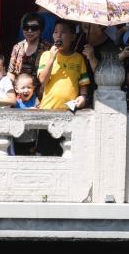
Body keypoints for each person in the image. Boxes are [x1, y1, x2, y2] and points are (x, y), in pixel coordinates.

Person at [37, 20, 89, 156]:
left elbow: (83, 87)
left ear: (73, 37)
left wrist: (82, 98)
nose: (58, 36)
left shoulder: (79, 59)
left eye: (63, 32)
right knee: (45, 155)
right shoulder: (46, 55)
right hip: (48, 112)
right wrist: (51, 58)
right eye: (56, 32)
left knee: (66, 154)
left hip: (69, 114)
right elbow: (42, 80)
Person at [8, 13, 50, 85]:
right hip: (19, 89)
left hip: (39, 89)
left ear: (41, 29)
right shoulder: (17, 47)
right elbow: (11, 72)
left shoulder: (47, 48)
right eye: (26, 27)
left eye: (34, 28)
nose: (29, 31)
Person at [13, 72, 38, 156]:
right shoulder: (15, 101)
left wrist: (36, 110)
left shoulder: (35, 99)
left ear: (33, 88)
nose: (26, 90)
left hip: (32, 139)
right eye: (23, 87)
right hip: (17, 138)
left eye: (29, 87)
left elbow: (40, 110)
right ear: (16, 89)